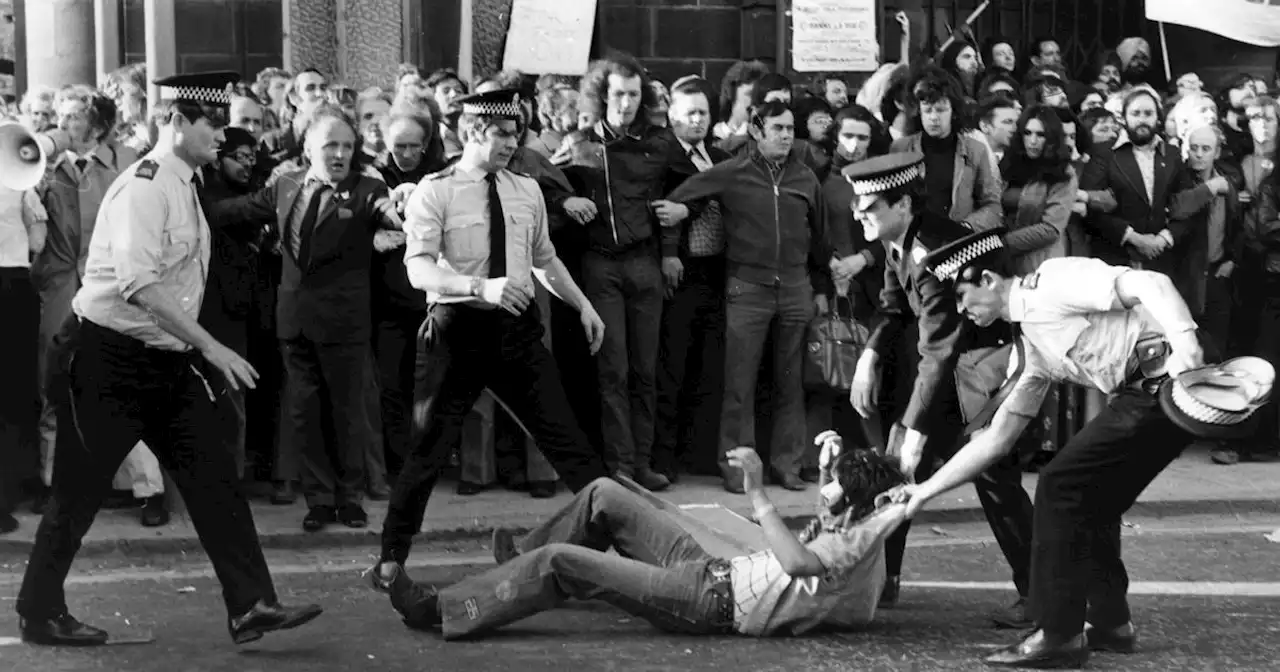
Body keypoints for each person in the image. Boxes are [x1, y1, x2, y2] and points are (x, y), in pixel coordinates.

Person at [15, 71, 322, 646]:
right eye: (211, 123)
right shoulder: (146, 186)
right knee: (78, 494)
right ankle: (39, 610)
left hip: (162, 361)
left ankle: (252, 604)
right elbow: (137, 283)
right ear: (177, 121)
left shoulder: (185, 183)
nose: (222, 136)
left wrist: (193, 348)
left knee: (214, 479)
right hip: (104, 358)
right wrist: (211, 345)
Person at [895, 229, 1213, 668]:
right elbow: (996, 439)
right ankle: (1110, 623)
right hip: (1144, 394)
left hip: (1168, 382)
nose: (964, 314)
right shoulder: (1030, 348)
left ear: (988, 279)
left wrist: (1187, 342)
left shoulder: (1052, 282)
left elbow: (1150, 283)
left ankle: (1057, 632)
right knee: (1090, 499)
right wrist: (923, 491)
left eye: (965, 299)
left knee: (1061, 484)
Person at [370, 89, 611, 576]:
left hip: (515, 333)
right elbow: (418, 270)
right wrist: (480, 286)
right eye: (501, 133)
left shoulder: (525, 189)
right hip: (455, 332)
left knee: (569, 443)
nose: (511, 143)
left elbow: (544, 259)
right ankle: (390, 560)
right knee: (427, 451)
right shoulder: (435, 190)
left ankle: (619, 551)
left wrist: (582, 304)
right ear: (471, 132)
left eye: (515, 133)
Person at [367, 432, 907, 639]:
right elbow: (827, 542)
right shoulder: (853, 533)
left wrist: (758, 491)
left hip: (706, 602)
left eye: (832, 485)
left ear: (855, 502)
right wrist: (833, 465)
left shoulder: (853, 546)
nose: (824, 488)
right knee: (605, 492)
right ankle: (519, 562)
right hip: (708, 570)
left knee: (563, 560)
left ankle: (439, 610)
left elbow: (801, 564)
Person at [844, 153, 1033, 624]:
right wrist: (868, 355)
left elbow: (939, 349)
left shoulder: (932, 251)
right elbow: (893, 308)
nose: (859, 216)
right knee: (892, 469)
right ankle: (877, 581)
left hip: (981, 370)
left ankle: (1040, 592)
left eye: (869, 208)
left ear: (902, 203)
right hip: (948, 367)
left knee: (992, 476)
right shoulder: (897, 239)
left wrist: (915, 431)